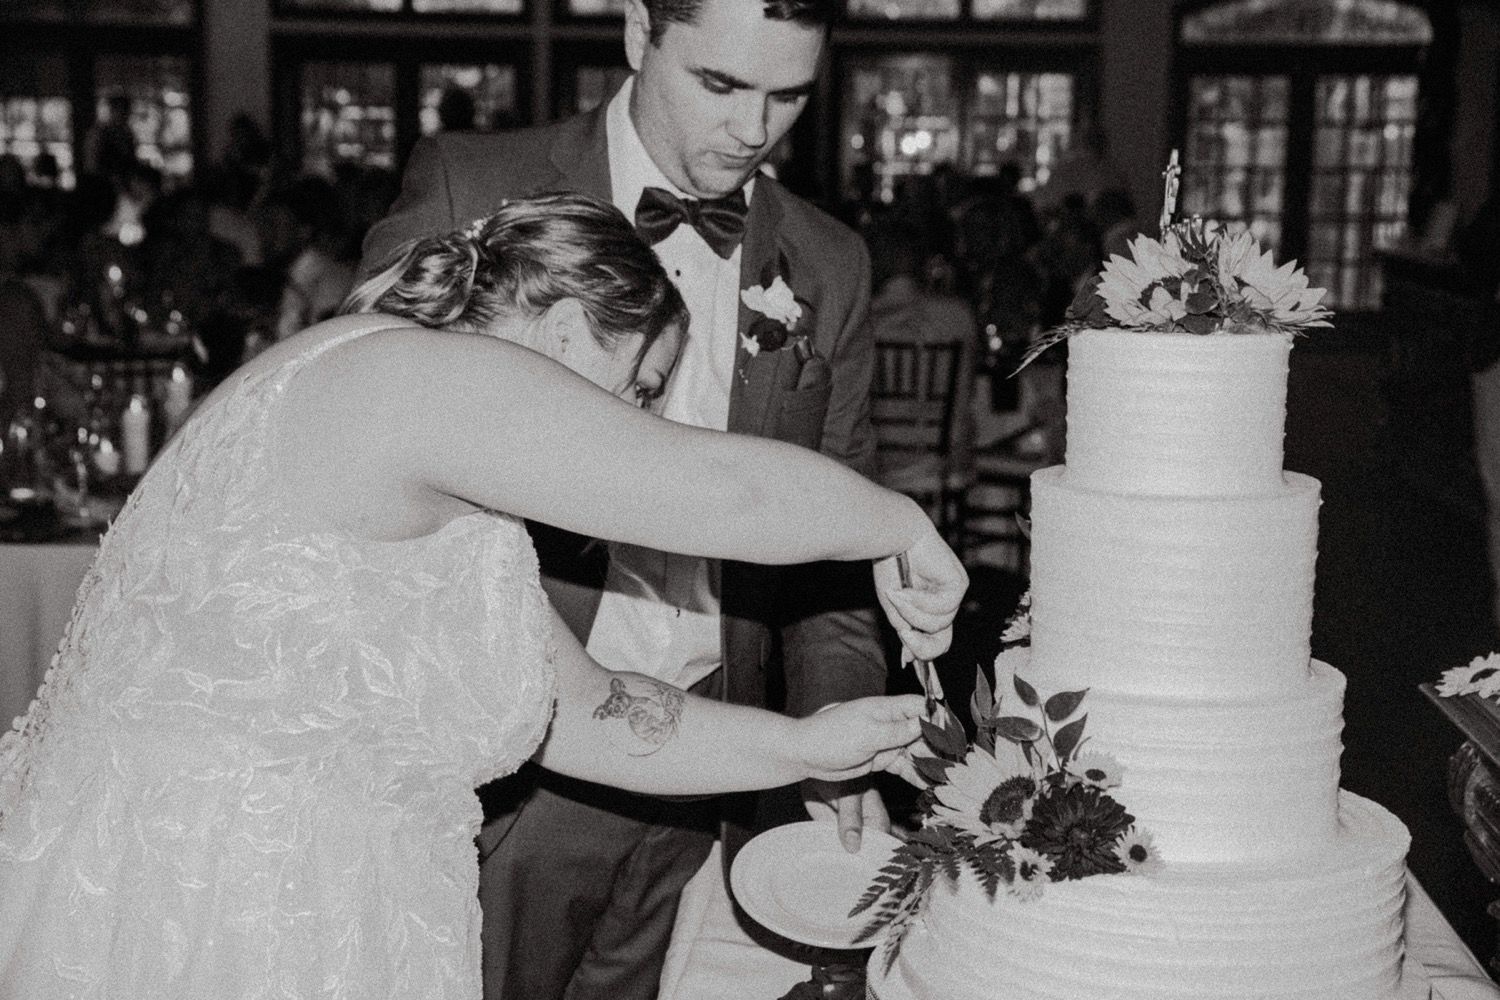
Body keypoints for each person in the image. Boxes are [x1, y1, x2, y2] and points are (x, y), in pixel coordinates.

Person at [0, 193, 966, 998]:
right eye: (641, 390)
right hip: (219, 899)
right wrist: (899, 523)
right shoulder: (409, 377)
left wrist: (803, 746)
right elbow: (720, 491)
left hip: (305, 893)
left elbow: (591, 715)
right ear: (561, 327)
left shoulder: (437, 477)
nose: (633, 423)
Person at [359, 1, 897, 996]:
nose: (753, 129)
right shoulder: (473, 185)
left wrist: (831, 737)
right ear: (640, 31)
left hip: (711, 765)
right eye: (720, 83)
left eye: (789, 95)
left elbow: (834, 552)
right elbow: (366, 455)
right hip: (513, 765)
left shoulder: (830, 261)